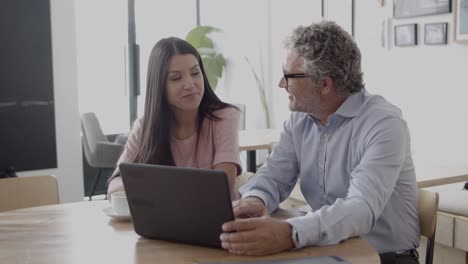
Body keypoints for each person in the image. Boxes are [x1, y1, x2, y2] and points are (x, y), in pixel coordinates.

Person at [220, 21, 420, 264]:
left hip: (385, 257)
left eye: (288, 76)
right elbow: (273, 176)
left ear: (325, 84)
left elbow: (360, 209)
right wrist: (255, 200)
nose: (281, 84)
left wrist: (289, 233)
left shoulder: (383, 124)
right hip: (325, 251)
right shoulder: (299, 120)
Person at [107, 37, 241, 201]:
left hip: (220, 224)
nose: (190, 84)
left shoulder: (224, 117)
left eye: (195, 73)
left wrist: (154, 186)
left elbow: (223, 184)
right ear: (159, 86)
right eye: (176, 78)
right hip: (163, 223)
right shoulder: (144, 127)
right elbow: (114, 188)